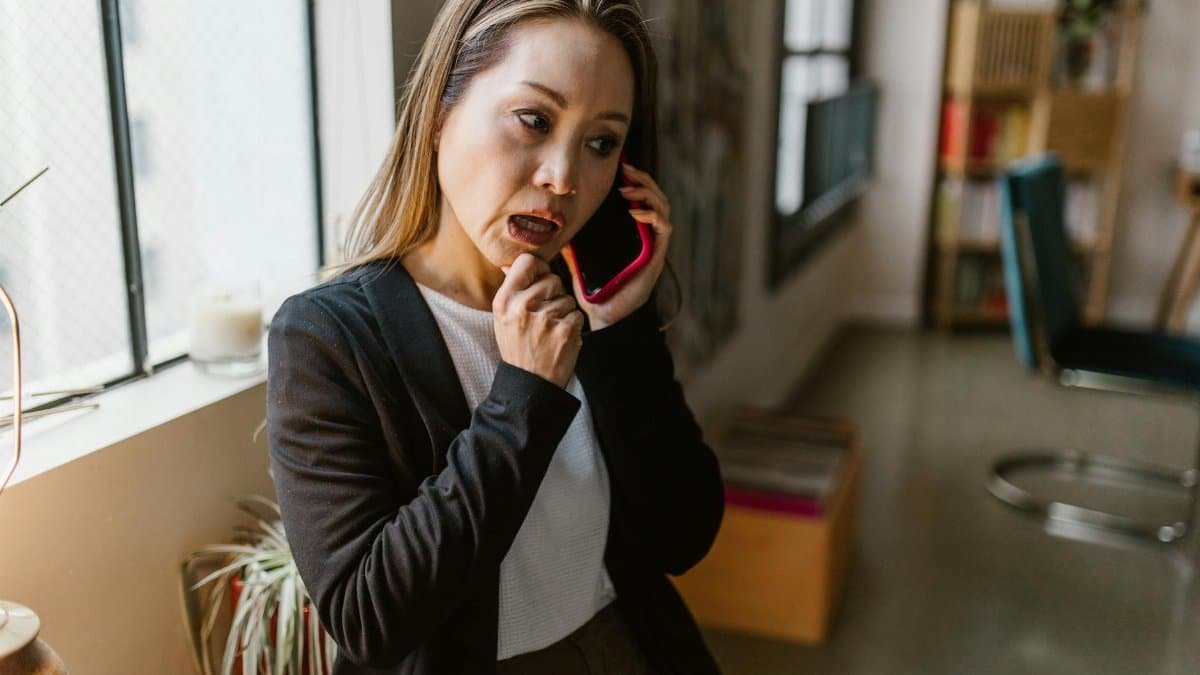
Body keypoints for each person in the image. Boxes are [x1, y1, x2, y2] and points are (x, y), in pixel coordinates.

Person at [266, 1, 725, 673]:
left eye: (601, 143)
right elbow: (370, 617)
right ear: (440, 111)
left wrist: (621, 333)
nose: (563, 178)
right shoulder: (326, 336)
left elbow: (682, 535)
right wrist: (524, 395)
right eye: (533, 120)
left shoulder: (592, 311)